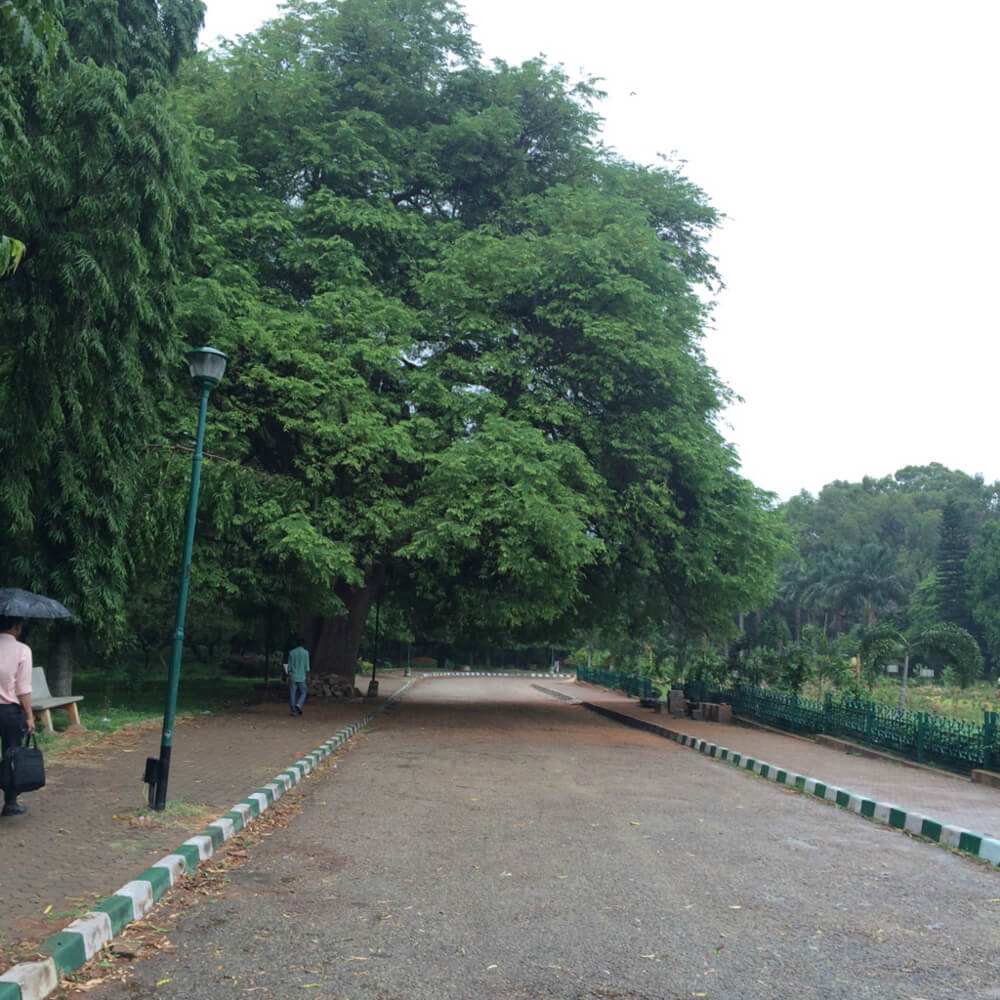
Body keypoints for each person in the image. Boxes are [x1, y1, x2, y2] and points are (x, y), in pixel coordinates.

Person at [0, 616, 35, 817]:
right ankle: (10, 803)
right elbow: (23, 688)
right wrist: (29, 716)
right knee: (11, 755)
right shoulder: (22, 650)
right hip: (9, 713)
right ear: (15, 626)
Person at [287, 637, 310, 716]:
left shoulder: (291, 652)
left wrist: (288, 676)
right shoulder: (306, 653)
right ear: (303, 644)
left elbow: (289, 667)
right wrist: (308, 677)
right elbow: (307, 667)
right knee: (303, 692)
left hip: (293, 676)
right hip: (302, 676)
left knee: (292, 693)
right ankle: (299, 704)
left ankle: (293, 711)